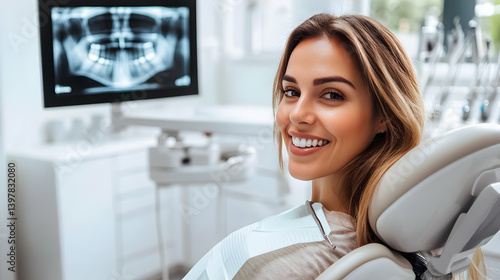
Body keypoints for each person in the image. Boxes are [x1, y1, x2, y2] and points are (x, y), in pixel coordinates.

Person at [183, 13, 485, 280]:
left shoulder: (295, 265)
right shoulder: (406, 238)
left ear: (384, 116)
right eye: (291, 91)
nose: (297, 114)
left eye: (331, 95)